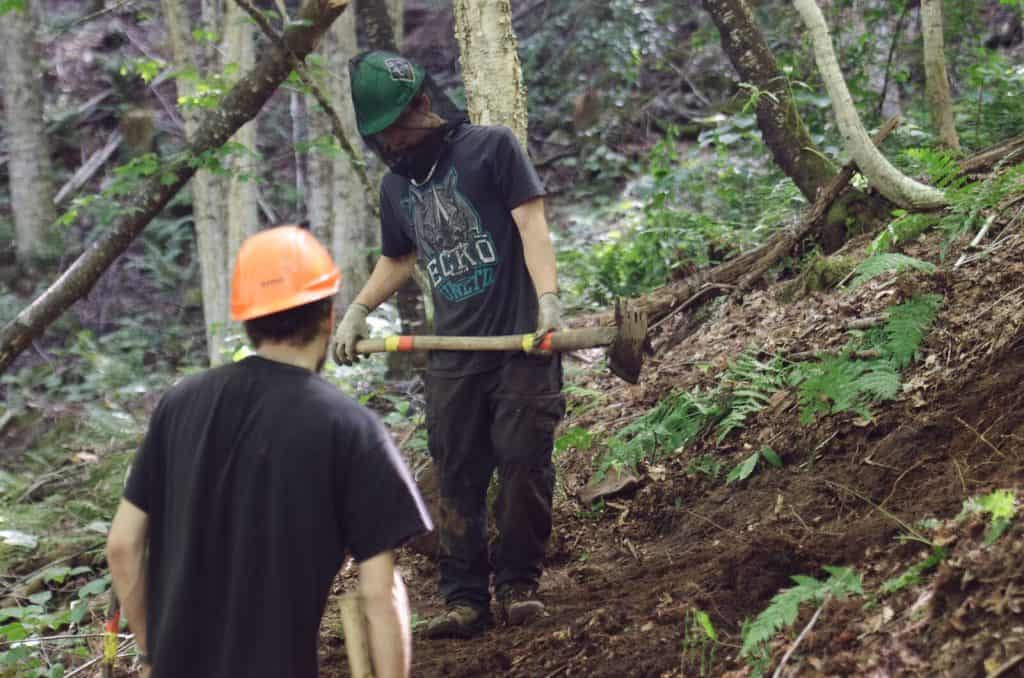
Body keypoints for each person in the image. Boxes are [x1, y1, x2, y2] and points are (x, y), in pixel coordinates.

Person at [106, 225, 432, 677]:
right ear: (329, 316)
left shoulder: (179, 404)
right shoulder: (350, 427)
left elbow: (122, 546)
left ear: (247, 321)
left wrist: (150, 655)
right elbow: (380, 594)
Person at [334, 51, 566, 640]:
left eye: (396, 127)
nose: (390, 142)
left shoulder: (492, 149)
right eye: (380, 135)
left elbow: (531, 222)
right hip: (454, 357)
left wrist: (548, 300)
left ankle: (518, 585)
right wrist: (359, 309)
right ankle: (465, 600)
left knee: (523, 467)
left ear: (422, 105)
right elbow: (398, 258)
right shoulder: (396, 187)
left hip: (519, 343)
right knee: (457, 477)